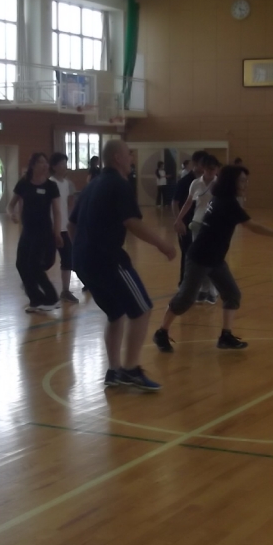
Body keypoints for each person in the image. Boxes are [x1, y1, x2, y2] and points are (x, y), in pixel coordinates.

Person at [154, 165, 273, 353]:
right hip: (200, 257)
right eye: (242, 180)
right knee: (185, 299)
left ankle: (226, 336)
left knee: (232, 294)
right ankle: (161, 332)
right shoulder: (227, 203)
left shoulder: (221, 198)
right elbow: (253, 227)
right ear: (231, 182)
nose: (245, 184)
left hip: (215, 259)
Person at [69, 139, 176, 390]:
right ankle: (130, 370)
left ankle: (114, 371)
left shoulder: (92, 185)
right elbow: (132, 222)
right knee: (142, 309)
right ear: (117, 157)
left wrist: (83, 250)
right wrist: (162, 244)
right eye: (129, 154)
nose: (132, 158)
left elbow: (71, 225)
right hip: (107, 259)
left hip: (83, 262)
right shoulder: (119, 184)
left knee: (115, 314)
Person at [8, 152, 62, 313]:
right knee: (21, 264)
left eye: (46, 162)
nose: (45, 165)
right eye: (41, 162)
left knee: (34, 265)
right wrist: (11, 214)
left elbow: (57, 212)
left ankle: (52, 298)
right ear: (33, 165)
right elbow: (10, 205)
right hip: (27, 231)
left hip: (43, 231)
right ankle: (36, 300)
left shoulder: (51, 186)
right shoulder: (24, 183)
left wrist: (57, 233)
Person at [176, 154, 221, 304]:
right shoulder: (195, 183)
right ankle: (203, 289)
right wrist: (179, 218)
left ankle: (212, 290)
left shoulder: (220, 184)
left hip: (214, 225)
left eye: (213, 169)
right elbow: (188, 203)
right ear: (203, 169)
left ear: (217, 169)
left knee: (212, 257)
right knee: (199, 258)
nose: (210, 172)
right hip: (197, 223)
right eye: (207, 169)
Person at [171, 150, 207, 288]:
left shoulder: (208, 181)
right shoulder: (185, 182)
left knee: (203, 254)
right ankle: (184, 284)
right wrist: (178, 221)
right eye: (202, 163)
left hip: (203, 223)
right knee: (188, 254)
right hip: (187, 223)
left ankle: (201, 286)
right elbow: (175, 202)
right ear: (195, 163)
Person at [49, 152, 78, 303]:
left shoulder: (67, 184)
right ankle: (30, 281)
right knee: (45, 260)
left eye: (65, 163)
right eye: (61, 164)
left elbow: (69, 205)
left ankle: (65, 291)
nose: (64, 166)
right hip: (50, 228)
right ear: (54, 167)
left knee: (67, 259)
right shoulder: (49, 183)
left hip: (64, 228)